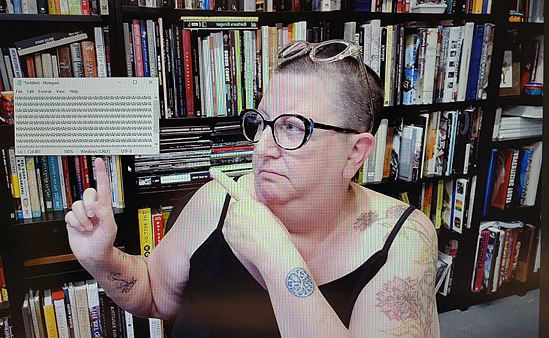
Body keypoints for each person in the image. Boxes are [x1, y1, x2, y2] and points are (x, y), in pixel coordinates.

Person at [65, 39, 441, 337]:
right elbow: (153, 294)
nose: (262, 147)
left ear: (354, 152)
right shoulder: (218, 202)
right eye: (262, 123)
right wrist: (102, 259)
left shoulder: (401, 239)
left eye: (292, 127)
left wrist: (274, 253)